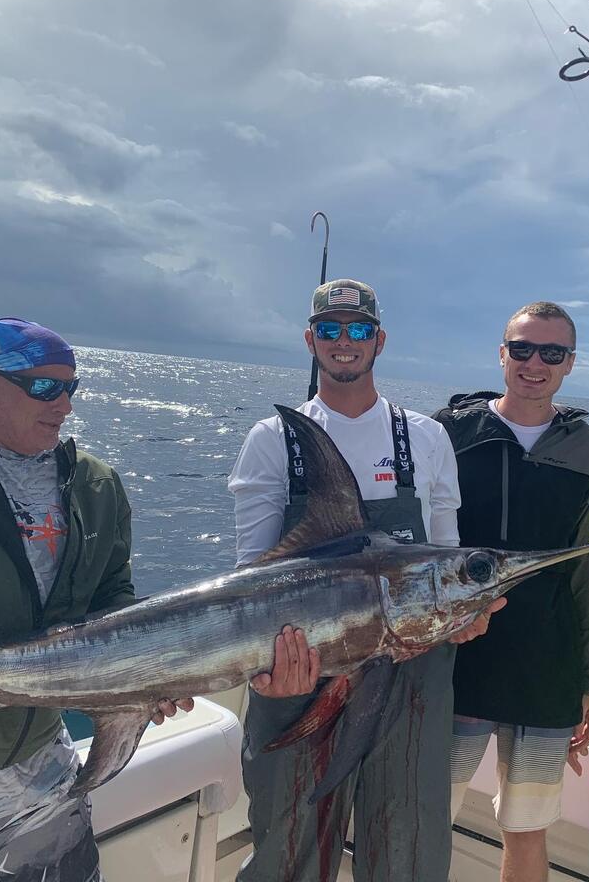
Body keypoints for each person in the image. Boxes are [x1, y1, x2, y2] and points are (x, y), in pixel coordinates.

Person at [228, 278, 503, 882]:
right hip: (300, 674)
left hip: (411, 675)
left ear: (379, 340)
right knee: (288, 848)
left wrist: (465, 612)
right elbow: (251, 581)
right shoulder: (273, 440)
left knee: (406, 848)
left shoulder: (424, 438)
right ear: (310, 339)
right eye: (330, 330)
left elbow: (447, 559)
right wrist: (270, 675)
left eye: (357, 331)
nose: (344, 342)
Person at [0, 318, 192, 882]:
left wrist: (143, 679)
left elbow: (113, 600)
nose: (65, 404)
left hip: (42, 767)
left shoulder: (97, 485)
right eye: (44, 387)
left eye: (72, 388)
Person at [433, 301, 589, 882]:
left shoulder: (587, 448)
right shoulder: (447, 431)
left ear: (569, 364)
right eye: (524, 348)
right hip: (457, 660)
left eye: (552, 353)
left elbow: (587, 569)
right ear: (502, 354)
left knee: (528, 828)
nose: (536, 363)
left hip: (547, 669)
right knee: (426, 810)